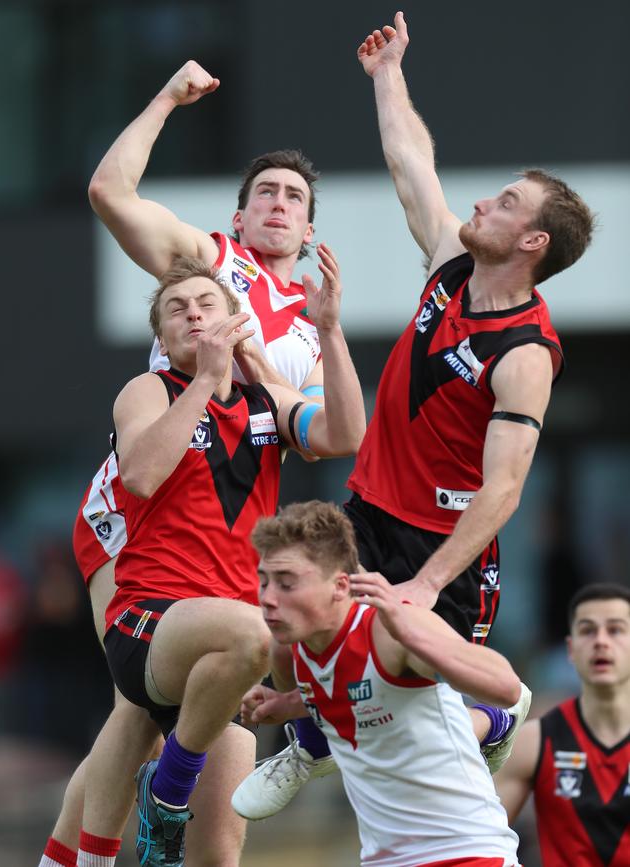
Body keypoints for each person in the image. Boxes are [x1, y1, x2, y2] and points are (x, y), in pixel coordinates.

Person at [230, 9, 596, 819]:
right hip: (368, 507)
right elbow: (411, 167)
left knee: (418, 708)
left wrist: (425, 586)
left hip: (444, 547)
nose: (482, 204)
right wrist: (388, 74)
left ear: (532, 241)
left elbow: (503, 489)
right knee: (287, 590)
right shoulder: (452, 262)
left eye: (504, 204)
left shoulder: (527, 353)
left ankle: (497, 719)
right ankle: (314, 737)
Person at [39, 58, 334, 867]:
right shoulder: (207, 267)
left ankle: (138, 832)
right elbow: (110, 193)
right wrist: (169, 98)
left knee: (223, 816)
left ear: (309, 232)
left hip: (229, 543)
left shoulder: (310, 332)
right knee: (135, 705)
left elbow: (319, 434)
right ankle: (84, 858)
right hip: (137, 514)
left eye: (295, 198)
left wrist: (299, 367)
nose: (279, 204)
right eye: (265, 193)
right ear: (240, 217)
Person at [106, 252, 362, 867]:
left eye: (206, 305)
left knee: (218, 856)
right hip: (151, 622)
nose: (194, 315)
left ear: (236, 319)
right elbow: (139, 475)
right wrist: (201, 381)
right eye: (177, 310)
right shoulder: (149, 390)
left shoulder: (264, 399)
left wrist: (329, 329)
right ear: (162, 338)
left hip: (234, 650)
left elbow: (346, 436)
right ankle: (166, 793)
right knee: (257, 626)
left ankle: (298, 740)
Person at [235, 500, 525, 867]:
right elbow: (349, 687)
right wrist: (291, 702)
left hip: (467, 853)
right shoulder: (289, 648)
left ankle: (493, 721)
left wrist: (410, 631)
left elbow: (506, 687)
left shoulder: (390, 631)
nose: (268, 599)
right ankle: (488, 724)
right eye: (264, 582)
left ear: (340, 586)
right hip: (383, 859)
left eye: (287, 584)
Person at [494, 583, 630, 867]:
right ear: (571, 649)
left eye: (616, 629)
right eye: (587, 630)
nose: (601, 641)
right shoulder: (534, 740)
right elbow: (477, 836)